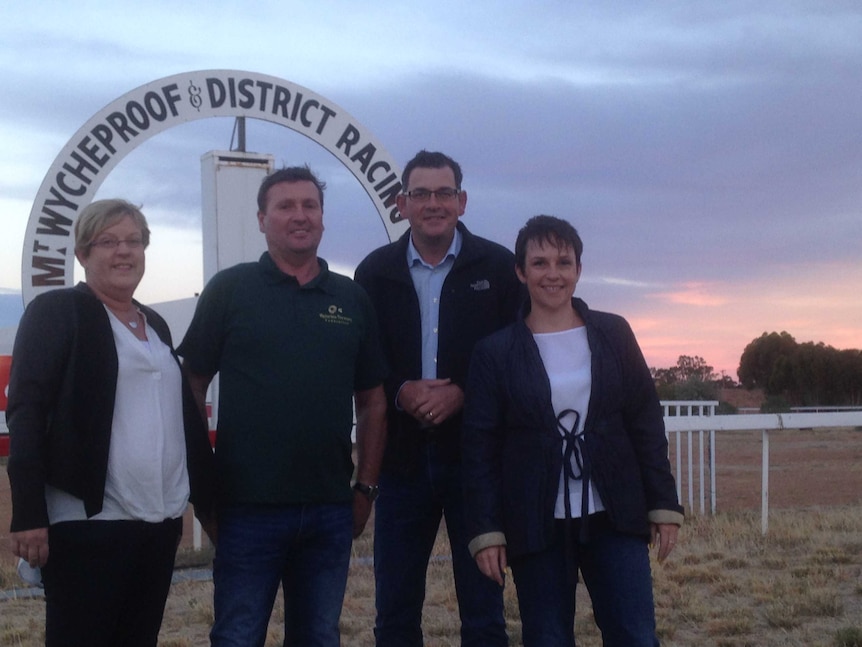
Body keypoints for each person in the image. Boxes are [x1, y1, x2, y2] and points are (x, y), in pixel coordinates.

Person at [177, 166, 388, 647]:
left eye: (309, 205)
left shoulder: (350, 298)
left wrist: (366, 489)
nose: (300, 216)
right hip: (245, 510)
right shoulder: (230, 291)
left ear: (322, 218)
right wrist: (204, 491)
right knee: (237, 635)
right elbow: (190, 386)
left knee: (318, 636)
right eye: (285, 206)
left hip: (329, 509)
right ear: (261, 219)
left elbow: (373, 402)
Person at [462, 215, 685, 647]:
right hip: (535, 518)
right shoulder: (495, 352)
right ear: (520, 272)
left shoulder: (613, 332)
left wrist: (662, 501)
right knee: (547, 638)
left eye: (564, 262)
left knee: (635, 635)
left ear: (578, 270)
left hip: (614, 512)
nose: (553, 274)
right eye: (540, 262)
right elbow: (480, 447)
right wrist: (486, 529)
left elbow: (644, 418)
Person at [5, 199, 215, 647]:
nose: (124, 251)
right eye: (108, 241)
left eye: (134, 241)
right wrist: (28, 514)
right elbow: (26, 410)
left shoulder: (154, 323)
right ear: (83, 254)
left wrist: (208, 500)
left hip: (157, 524)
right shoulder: (58, 311)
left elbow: (180, 420)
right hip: (88, 525)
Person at [354, 150, 522, 646]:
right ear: (401, 203)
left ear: (462, 201)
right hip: (402, 464)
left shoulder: (498, 267)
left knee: (485, 611)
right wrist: (401, 390)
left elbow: (518, 355)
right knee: (396, 613)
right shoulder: (375, 272)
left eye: (444, 193)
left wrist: (466, 394)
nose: (433, 203)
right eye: (421, 194)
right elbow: (364, 362)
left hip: (476, 463)